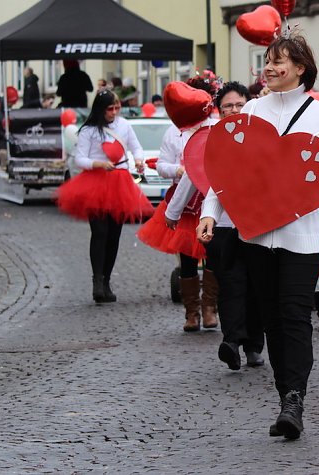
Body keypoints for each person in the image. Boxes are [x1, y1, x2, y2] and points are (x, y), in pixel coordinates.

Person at [197, 33, 319, 440]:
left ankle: (294, 401)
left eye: (280, 60)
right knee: (270, 317)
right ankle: (285, 391)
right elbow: (230, 172)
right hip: (256, 233)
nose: (270, 66)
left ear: (301, 68)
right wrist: (211, 213)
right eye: (267, 59)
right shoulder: (250, 110)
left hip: (304, 234)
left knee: (294, 313)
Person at [166, 81, 265, 368]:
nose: (234, 110)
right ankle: (232, 341)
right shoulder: (209, 139)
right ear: (218, 111)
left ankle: (254, 346)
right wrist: (173, 213)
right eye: (227, 106)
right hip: (221, 224)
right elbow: (193, 175)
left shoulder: (262, 136)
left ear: (249, 105)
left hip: (258, 224)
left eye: (239, 105)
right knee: (231, 284)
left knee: (255, 287)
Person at [56, 89, 153, 303]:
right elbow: (79, 159)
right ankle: (97, 281)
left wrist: (138, 160)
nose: (115, 112)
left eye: (117, 108)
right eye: (110, 109)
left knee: (114, 235)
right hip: (96, 182)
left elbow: (136, 147)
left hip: (119, 181)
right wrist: (98, 163)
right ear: (101, 109)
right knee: (99, 232)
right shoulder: (89, 130)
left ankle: (107, 280)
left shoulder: (124, 125)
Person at [141, 76, 221, 332]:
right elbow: (162, 164)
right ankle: (192, 313)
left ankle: (210, 308)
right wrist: (179, 169)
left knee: (213, 257)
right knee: (187, 258)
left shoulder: (215, 127)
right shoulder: (174, 131)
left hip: (211, 200)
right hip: (185, 204)